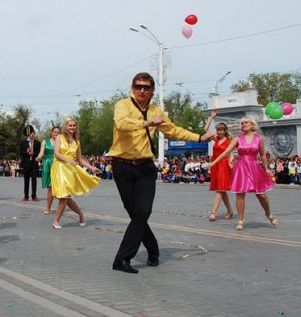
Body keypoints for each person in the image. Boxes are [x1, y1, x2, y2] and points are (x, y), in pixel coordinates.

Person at [109, 72, 214, 273]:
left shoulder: (157, 111)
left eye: (146, 87)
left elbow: (174, 131)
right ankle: (153, 248)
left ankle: (122, 259)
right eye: (138, 86)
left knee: (144, 211)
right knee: (135, 213)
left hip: (145, 167)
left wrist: (199, 138)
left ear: (152, 91)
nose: (142, 91)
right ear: (132, 88)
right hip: (122, 165)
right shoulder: (122, 105)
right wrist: (146, 123)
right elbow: (121, 124)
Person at [209, 116, 277, 231]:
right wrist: (213, 163)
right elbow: (226, 152)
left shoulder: (258, 139)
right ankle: (240, 220)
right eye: (242, 123)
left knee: (261, 195)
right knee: (240, 194)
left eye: (246, 123)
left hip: (254, 167)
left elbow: (262, 154)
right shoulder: (237, 139)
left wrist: (266, 168)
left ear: (252, 125)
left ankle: (268, 213)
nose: (243, 124)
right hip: (241, 167)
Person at [51, 118, 101, 229]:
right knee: (64, 197)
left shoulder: (77, 142)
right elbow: (56, 154)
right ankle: (80, 215)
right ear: (66, 126)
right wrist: (69, 160)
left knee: (65, 197)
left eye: (74, 125)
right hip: (59, 168)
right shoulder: (59, 137)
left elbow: (80, 159)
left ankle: (57, 220)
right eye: (70, 125)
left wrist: (92, 168)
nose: (72, 127)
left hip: (70, 170)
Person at [207, 112, 235, 221]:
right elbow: (206, 129)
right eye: (217, 130)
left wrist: (231, 160)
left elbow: (231, 153)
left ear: (225, 131)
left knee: (219, 189)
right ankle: (230, 211)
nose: (219, 132)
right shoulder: (216, 139)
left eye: (221, 130)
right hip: (215, 165)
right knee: (222, 190)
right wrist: (212, 117)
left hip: (223, 165)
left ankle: (213, 213)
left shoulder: (229, 141)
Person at [36, 126, 61, 214]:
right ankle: (48, 208)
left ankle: (64, 203)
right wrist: (38, 158)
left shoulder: (62, 142)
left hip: (58, 165)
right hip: (48, 164)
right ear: (51, 132)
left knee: (58, 187)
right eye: (55, 132)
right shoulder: (45, 142)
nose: (56, 134)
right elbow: (41, 153)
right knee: (50, 188)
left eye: (58, 132)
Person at [19, 128, 40, 201]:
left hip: (34, 163)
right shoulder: (23, 142)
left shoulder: (37, 143)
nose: (32, 135)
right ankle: (26, 196)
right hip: (26, 163)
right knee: (26, 180)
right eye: (31, 133)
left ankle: (34, 195)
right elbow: (21, 152)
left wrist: (34, 153)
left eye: (34, 133)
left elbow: (39, 153)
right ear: (28, 134)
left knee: (34, 180)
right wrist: (26, 152)